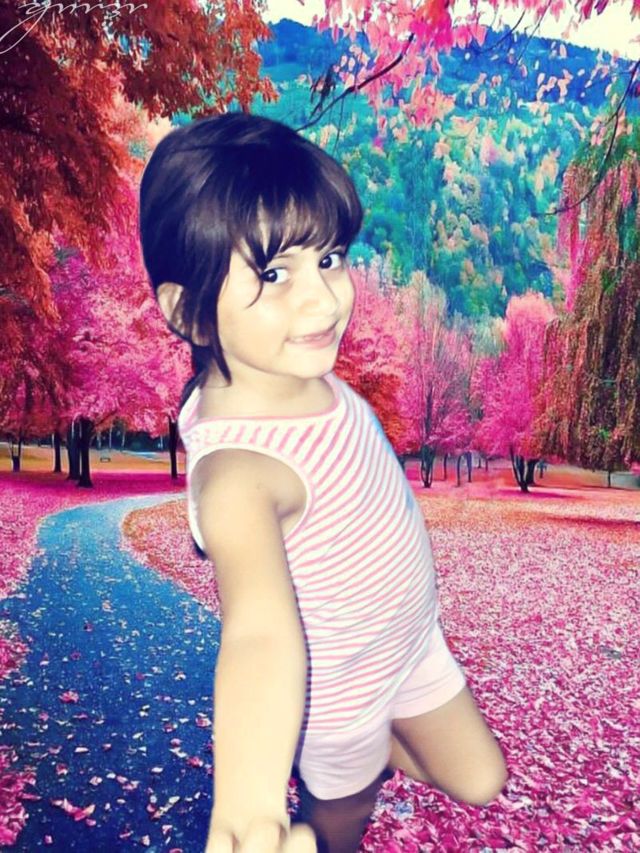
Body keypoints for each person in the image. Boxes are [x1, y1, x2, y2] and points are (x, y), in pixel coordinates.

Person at [138, 112, 508, 853]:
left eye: (330, 259)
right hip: (340, 698)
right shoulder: (238, 474)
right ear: (189, 312)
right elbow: (259, 632)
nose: (324, 300)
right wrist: (248, 805)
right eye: (274, 274)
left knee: (481, 778)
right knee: (339, 831)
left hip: (410, 641)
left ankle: (388, 750)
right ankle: (344, 775)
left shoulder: (288, 362)